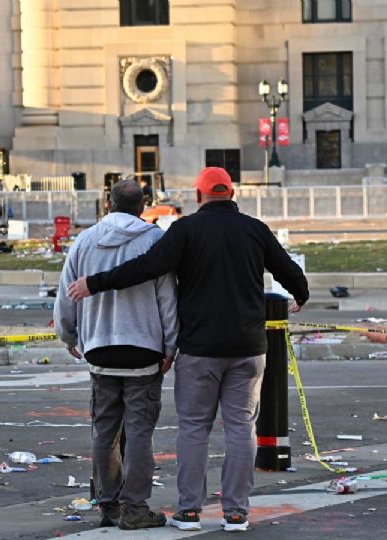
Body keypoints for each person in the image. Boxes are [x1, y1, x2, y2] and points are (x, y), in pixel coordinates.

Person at [67, 167, 309, 533]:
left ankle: (190, 511)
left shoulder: (185, 231)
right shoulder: (255, 230)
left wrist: (94, 284)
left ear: (198, 197)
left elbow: (145, 269)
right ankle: (236, 512)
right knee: (242, 426)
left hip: (199, 349)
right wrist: (300, 294)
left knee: (194, 428)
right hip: (248, 347)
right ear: (232, 194)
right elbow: (289, 271)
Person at [54, 179, 178, 530]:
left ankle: (108, 505)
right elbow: (167, 298)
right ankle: (135, 508)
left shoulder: (85, 240)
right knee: (140, 432)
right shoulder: (154, 240)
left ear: (107, 204)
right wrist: (171, 345)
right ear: (143, 206)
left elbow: (66, 294)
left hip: (99, 348)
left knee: (104, 431)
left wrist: (69, 334)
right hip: (144, 348)